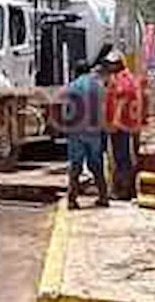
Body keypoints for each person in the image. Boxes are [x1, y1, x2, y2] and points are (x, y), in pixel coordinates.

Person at [62, 61, 109, 210]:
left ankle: (72, 200)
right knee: (96, 164)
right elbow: (103, 109)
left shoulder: (71, 87)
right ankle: (103, 197)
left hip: (77, 130)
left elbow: (67, 111)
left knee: (75, 165)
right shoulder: (99, 86)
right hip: (94, 130)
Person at [103, 50, 145, 200]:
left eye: (111, 64)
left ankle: (124, 190)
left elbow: (122, 101)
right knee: (121, 157)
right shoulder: (122, 78)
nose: (109, 67)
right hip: (122, 124)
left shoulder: (123, 80)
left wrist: (115, 122)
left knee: (122, 158)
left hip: (122, 126)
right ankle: (123, 188)